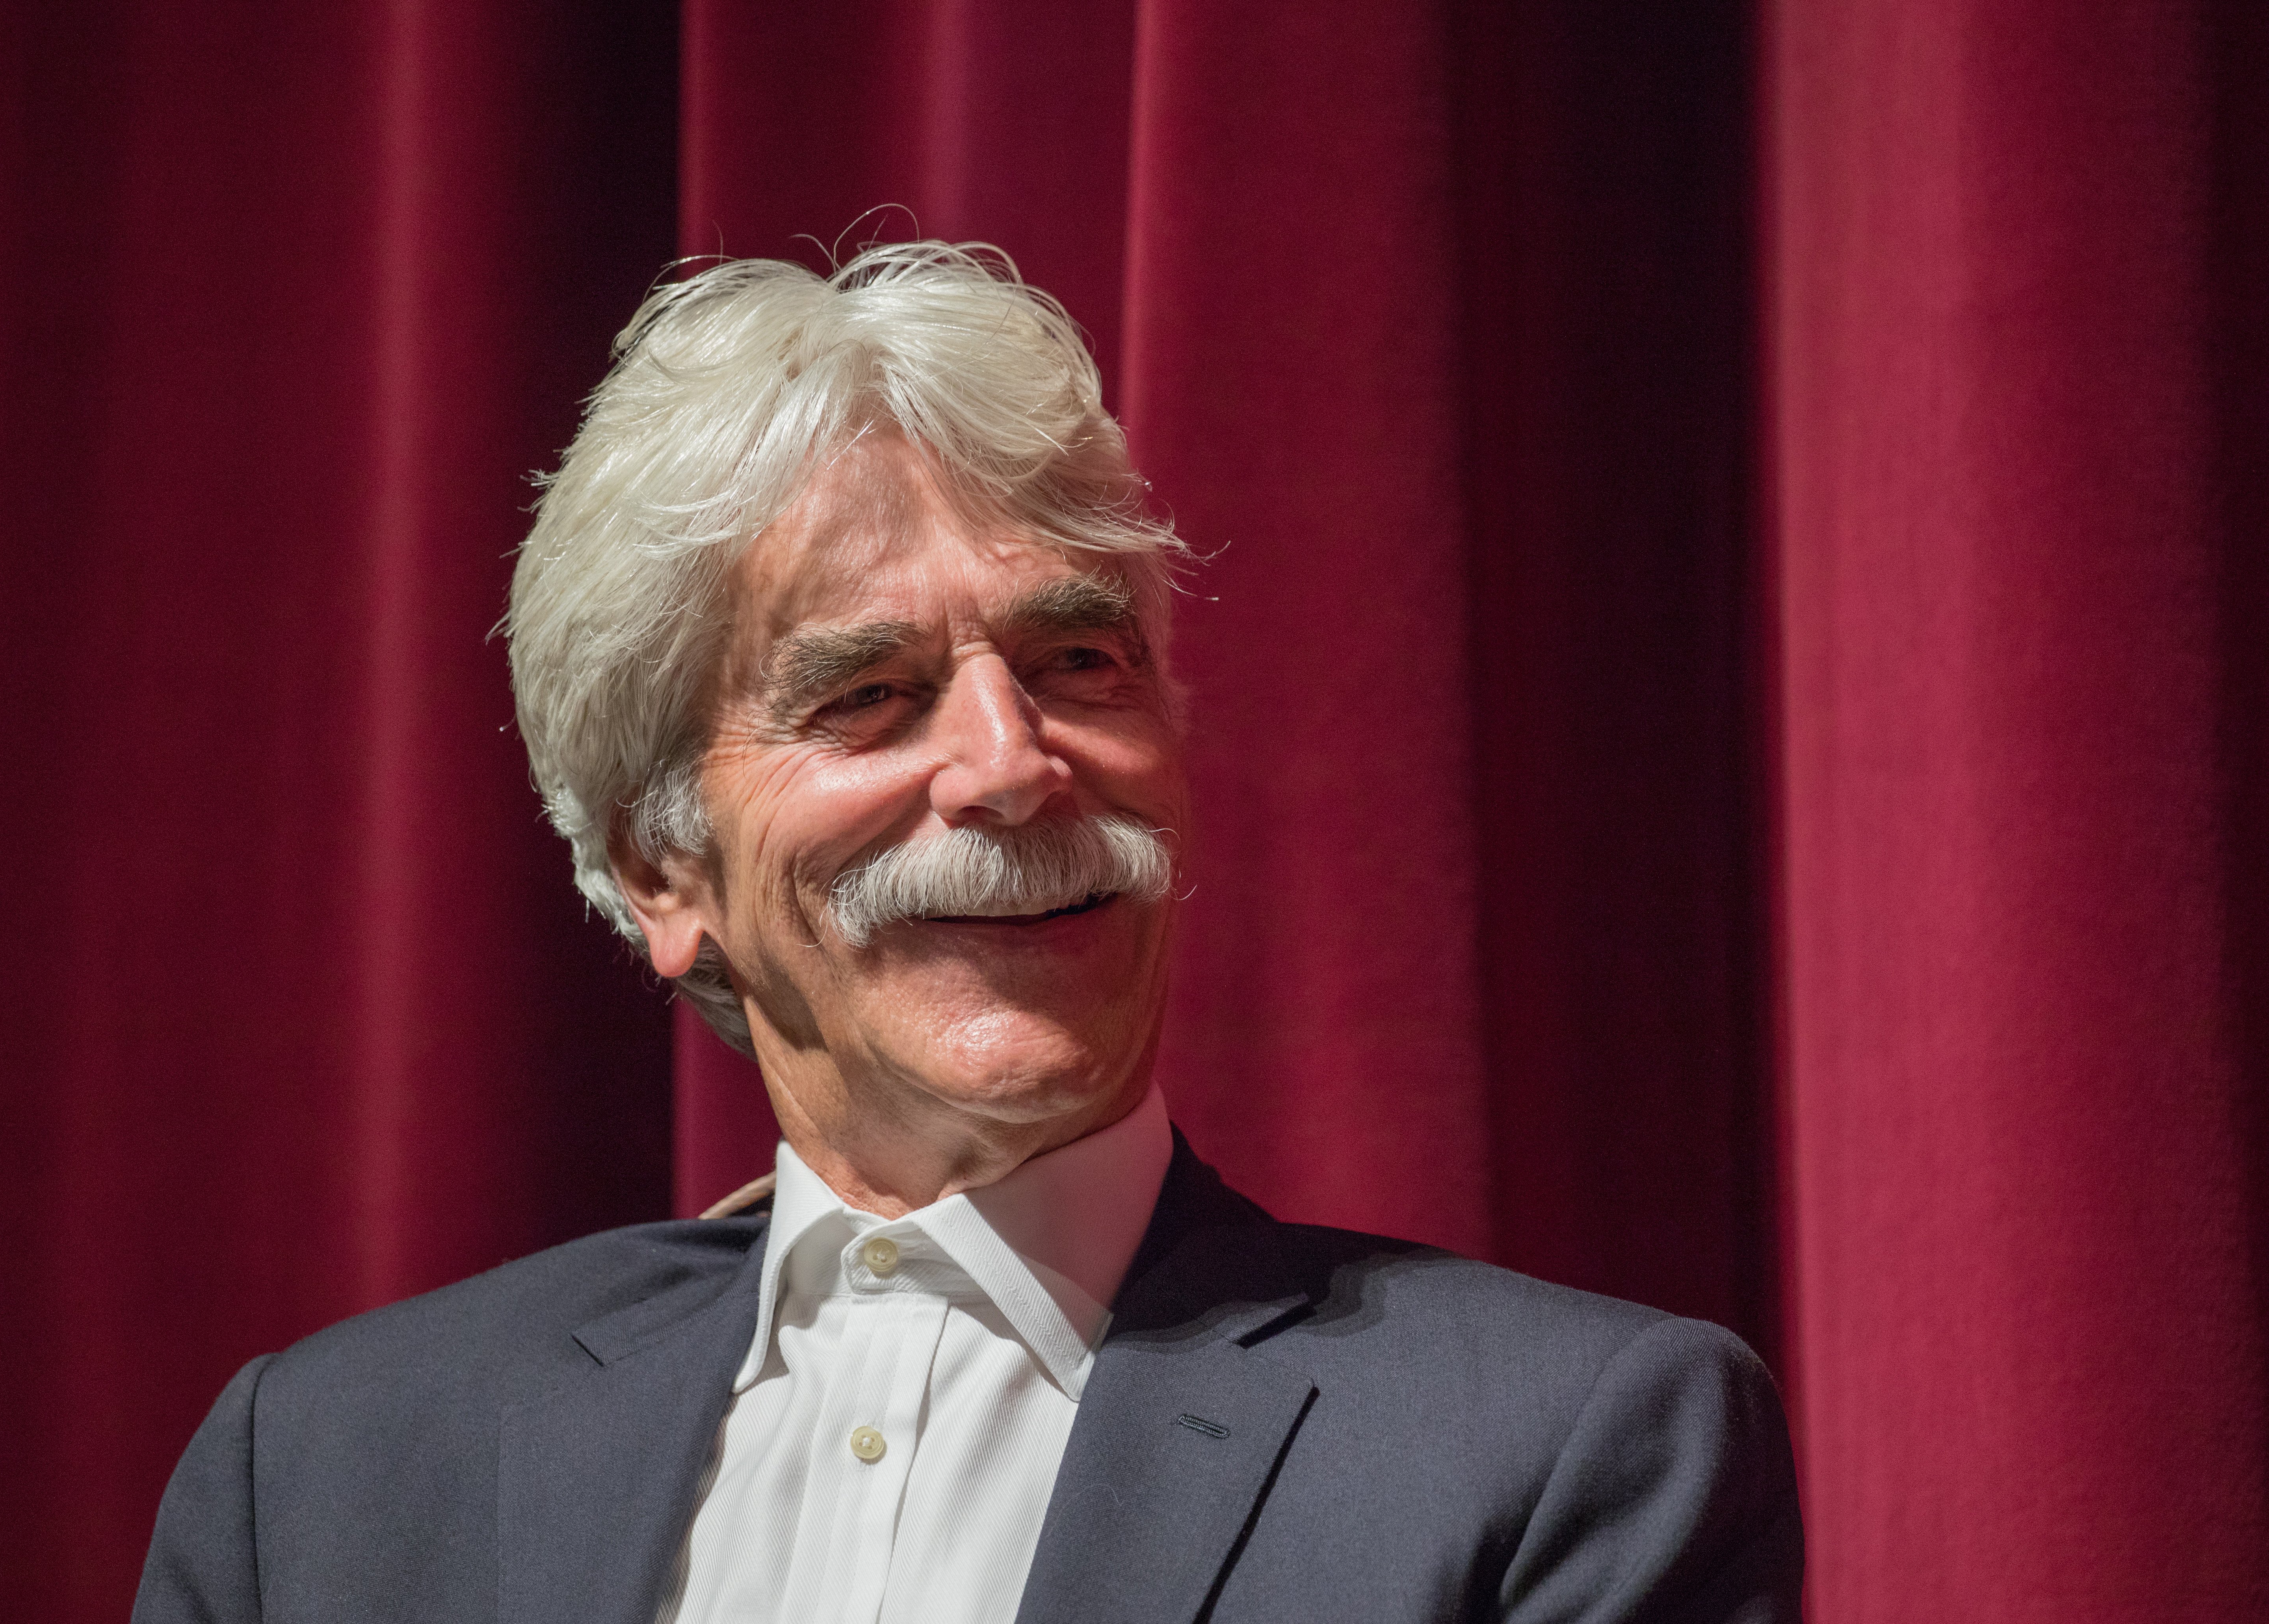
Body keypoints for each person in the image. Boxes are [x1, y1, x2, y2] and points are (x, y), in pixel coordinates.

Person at [134, 242, 1801, 1623]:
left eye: (1082, 663)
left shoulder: (1567, 1445)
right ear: (664, 871)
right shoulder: (325, 1471)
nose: (1012, 765)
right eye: (867, 697)